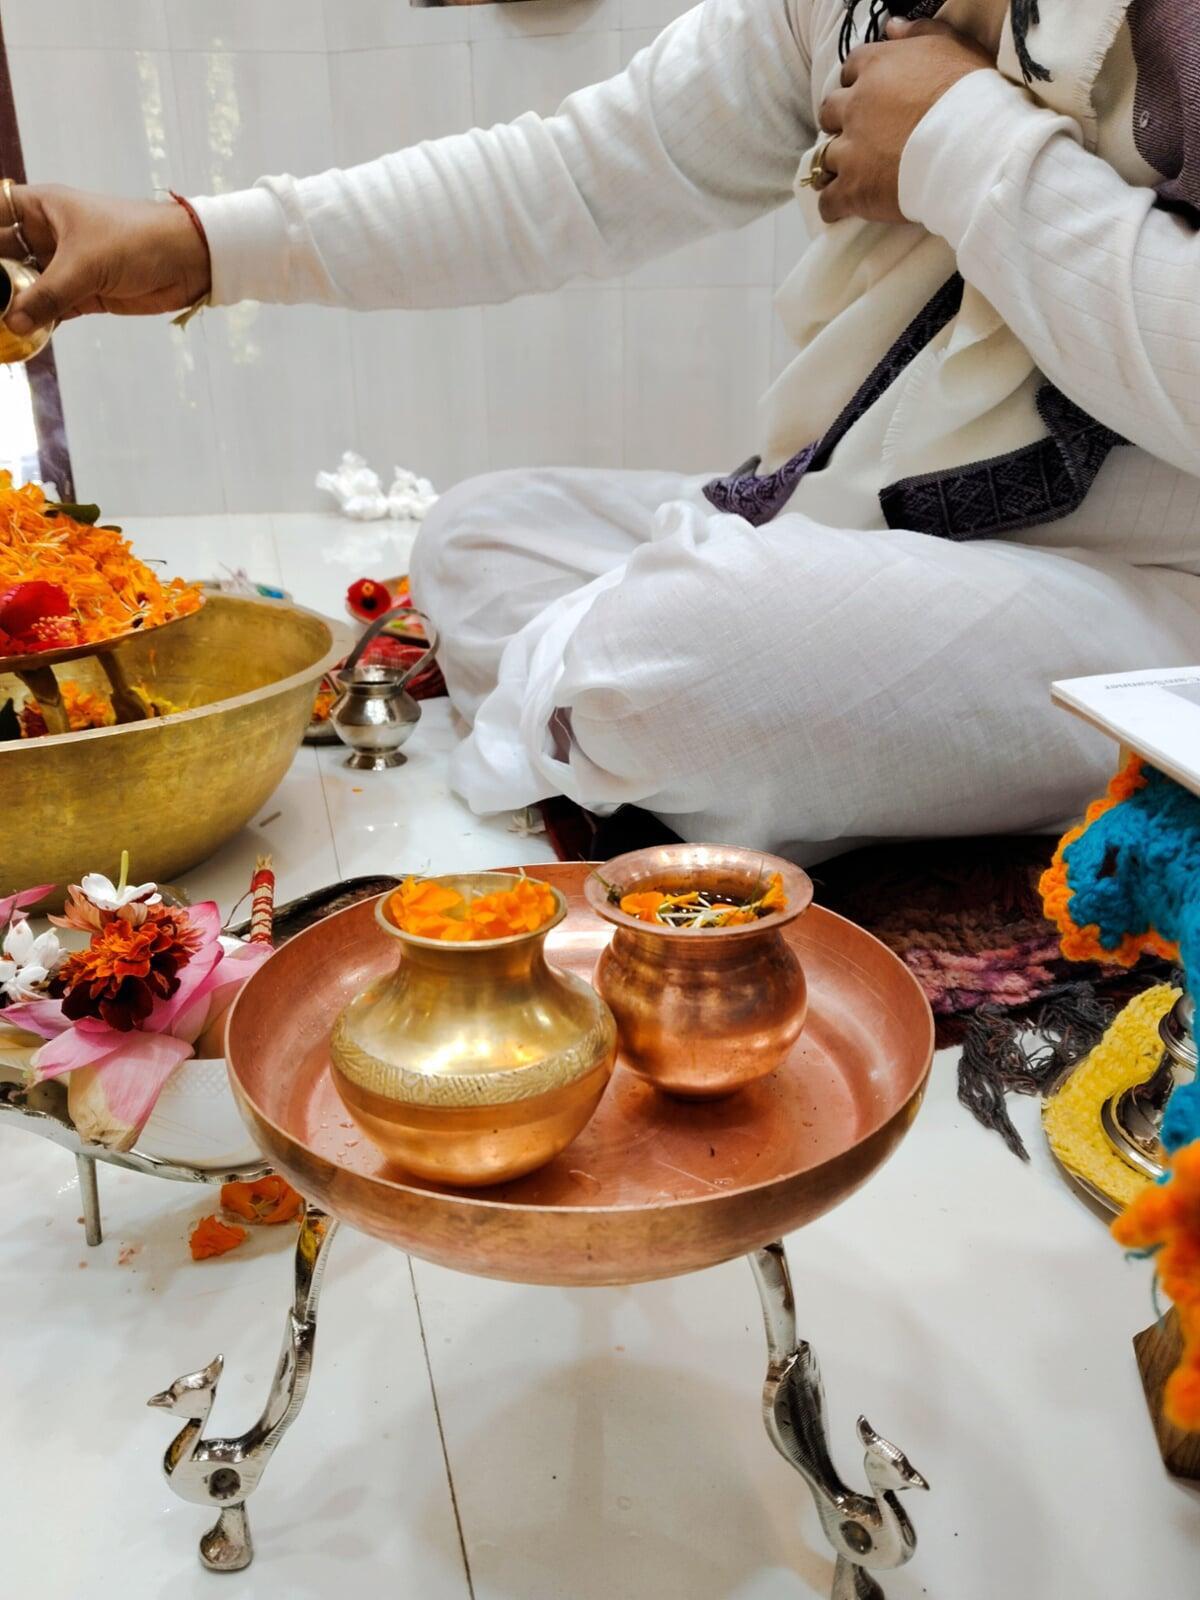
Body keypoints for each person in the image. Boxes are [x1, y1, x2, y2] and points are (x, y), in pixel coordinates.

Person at [6, 0, 1200, 860]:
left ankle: (707, 747)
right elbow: (575, 178)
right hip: (879, 518)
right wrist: (198, 245)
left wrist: (957, 144)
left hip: (1152, 603)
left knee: (677, 650)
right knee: (477, 537)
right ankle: (755, 755)